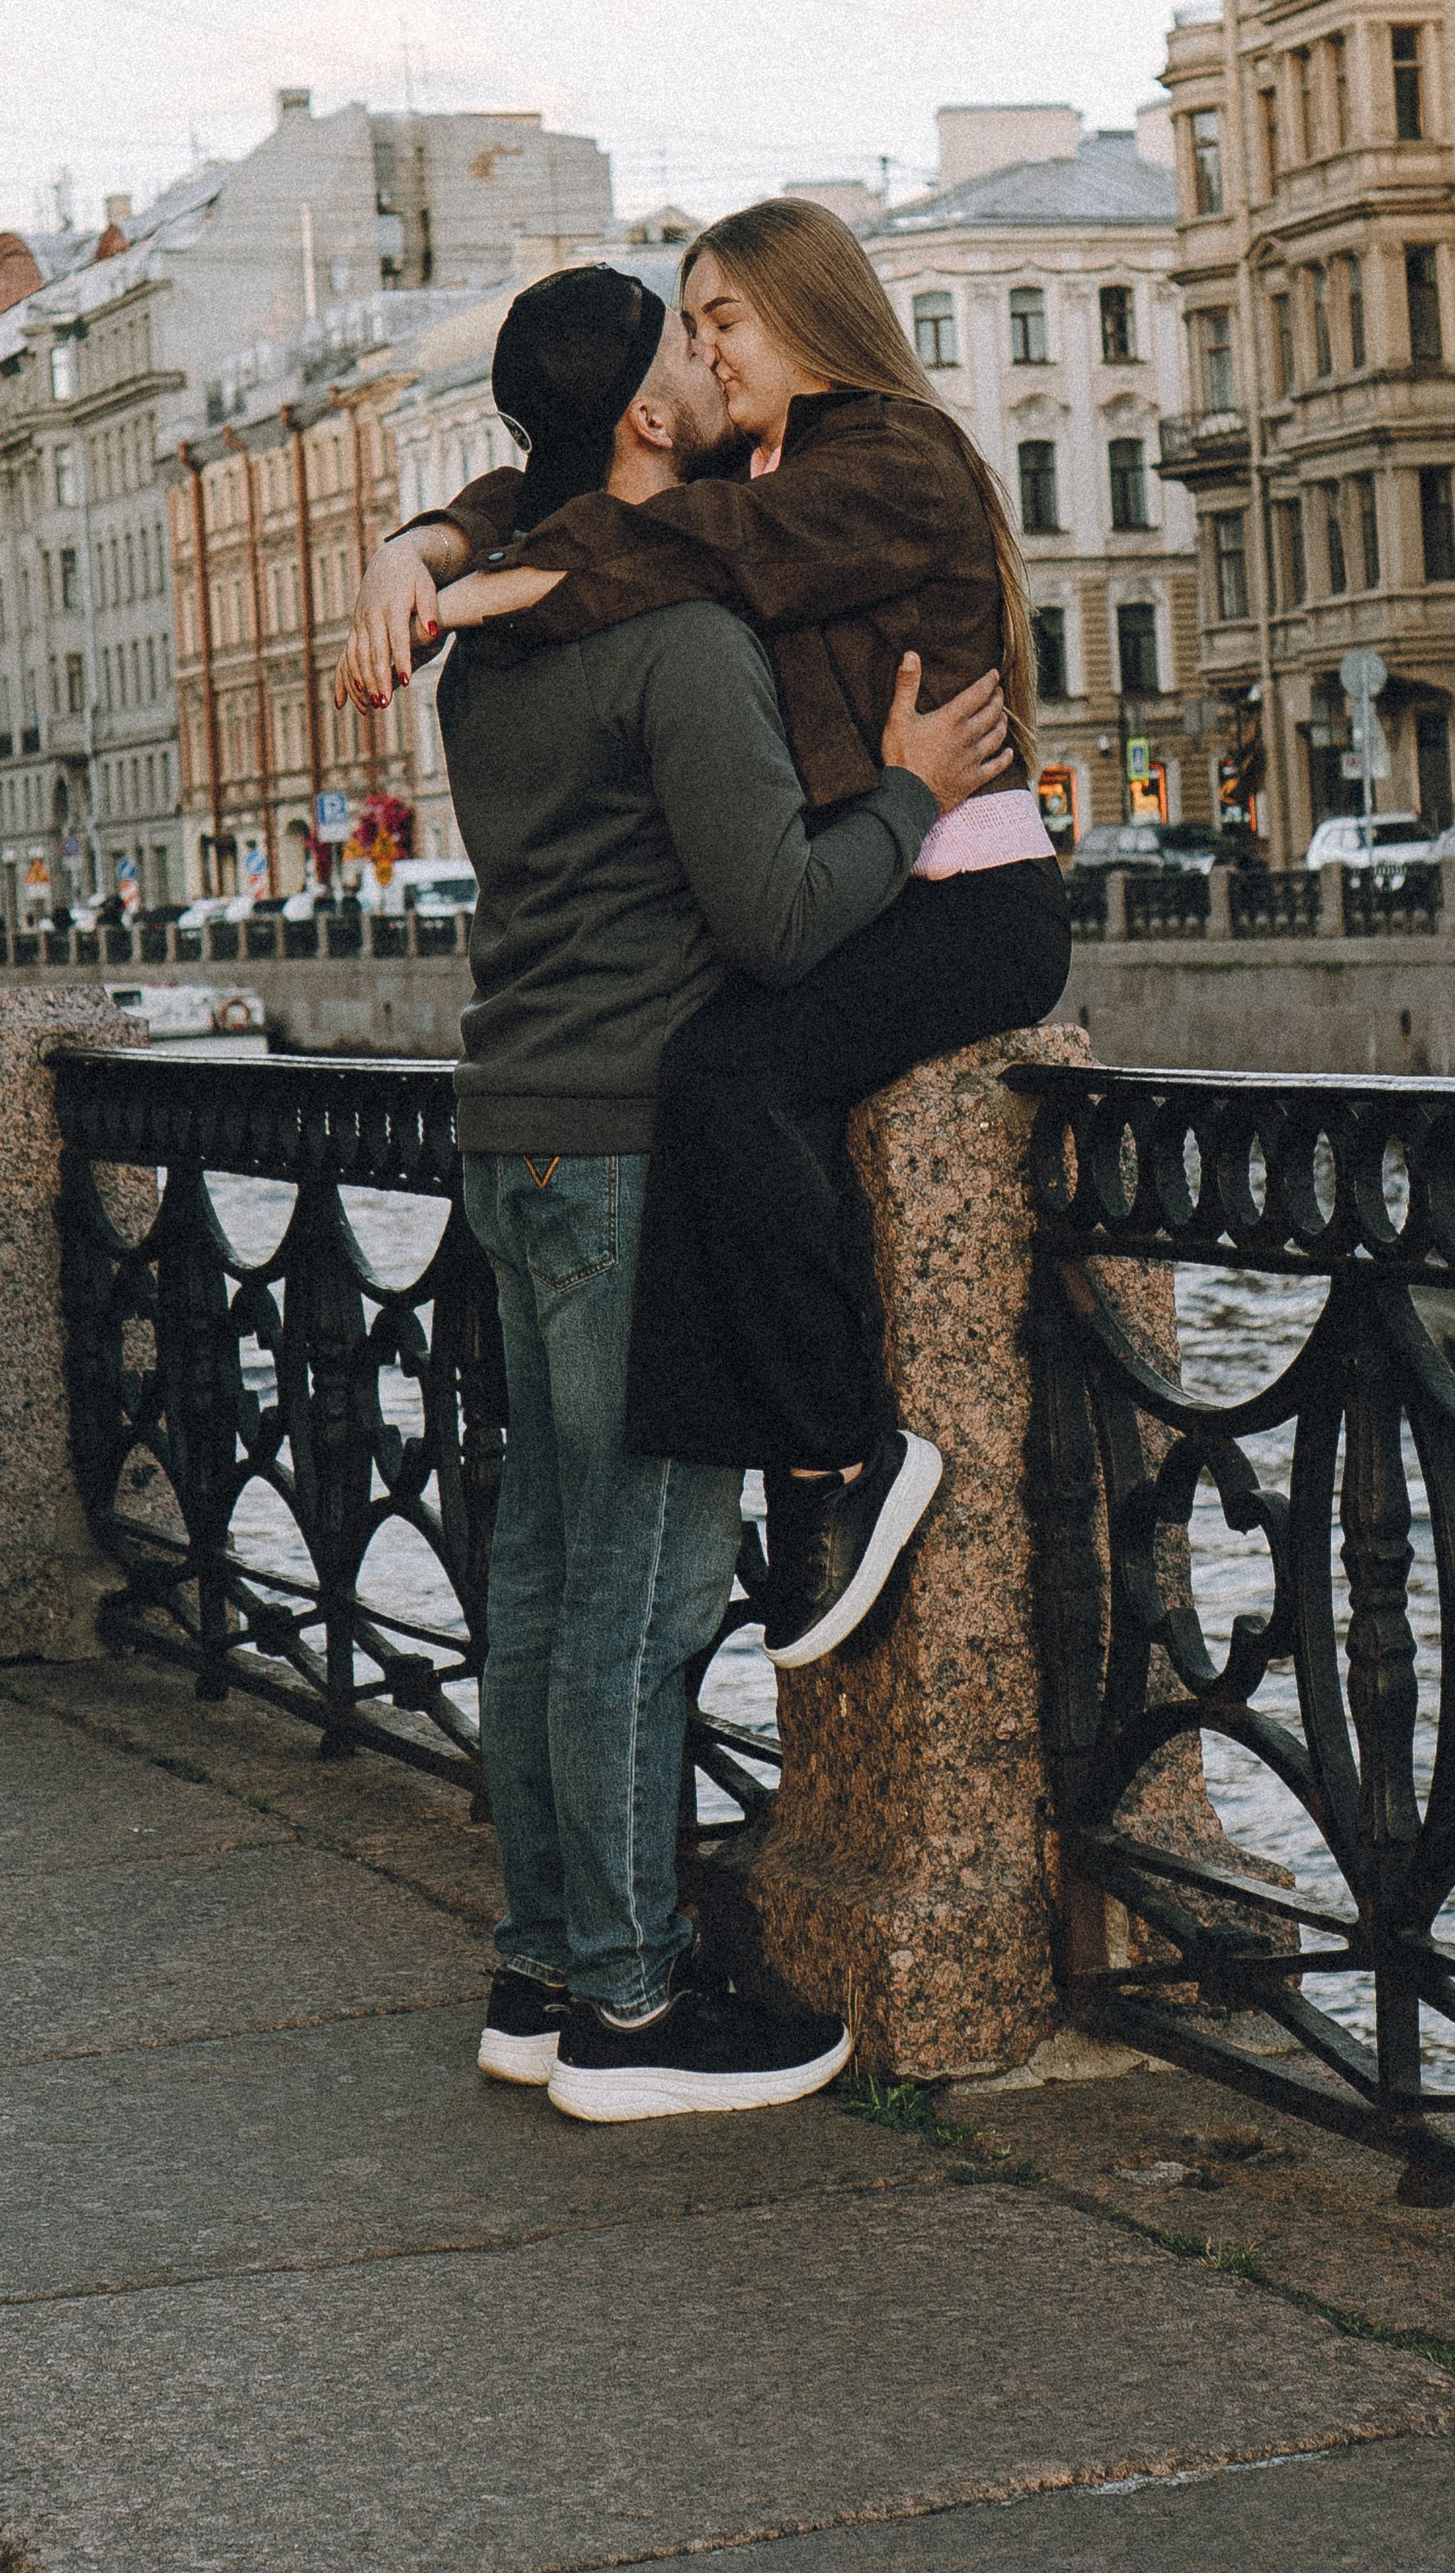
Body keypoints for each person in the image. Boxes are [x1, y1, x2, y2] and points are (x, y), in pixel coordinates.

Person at [344, 198, 1071, 1671]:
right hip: (890, 878)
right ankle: (800, 1457)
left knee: (733, 1078)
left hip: (977, 898)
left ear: (810, 320)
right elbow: (568, 473)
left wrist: (464, 593)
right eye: (692, 327)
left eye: (722, 322)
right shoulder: (774, 448)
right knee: (718, 1077)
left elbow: (687, 543)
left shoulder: (898, 462)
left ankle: (845, 1457)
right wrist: (412, 544)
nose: (705, 354)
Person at [439, 262, 1012, 2119]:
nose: (712, 360)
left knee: (539, 1574)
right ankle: (627, 2007)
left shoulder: (493, 641)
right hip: (626, 1145)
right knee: (648, 1580)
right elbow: (771, 915)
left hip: (509, 1123)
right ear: (639, 414)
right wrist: (913, 796)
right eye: (686, 345)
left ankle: (538, 1972)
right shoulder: (675, 637)